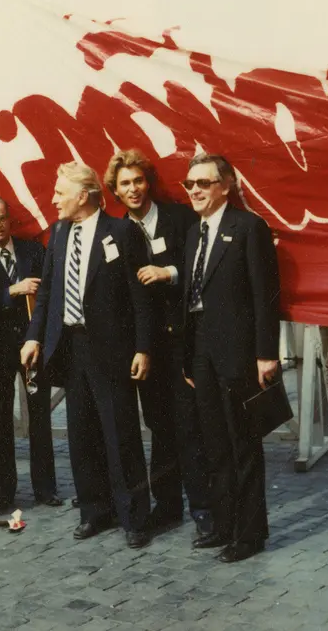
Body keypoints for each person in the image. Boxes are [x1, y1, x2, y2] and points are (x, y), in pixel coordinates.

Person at [20, 162, 153, 549]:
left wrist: (143, 347)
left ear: (83, 196)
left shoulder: (122, 231)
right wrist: (34, 338)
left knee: (120, 434)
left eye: (60, 193)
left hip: (112, 350)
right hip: (70, 347)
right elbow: (47, 294)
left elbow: (139, 296)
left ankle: (134, 518)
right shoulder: (59, 234)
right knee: (81, 434)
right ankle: (95, 511)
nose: (54, 199)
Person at [104, 149, 212, 537]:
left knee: (189, 426)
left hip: (184, 341)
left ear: (148, 182)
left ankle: (204, 511)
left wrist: (168, 272)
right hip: (147, 348)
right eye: (124, 184)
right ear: (114, 191)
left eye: (138, 181)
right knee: (159, 427)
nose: (133, 189)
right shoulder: (114, 232)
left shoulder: (179, 218)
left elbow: (204, 266)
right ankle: (167, 507)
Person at [181, 153, 283, 563]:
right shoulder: (194, 233)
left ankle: (249, 533)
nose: (195, 191)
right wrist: (189, 358)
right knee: (214, 444)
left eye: (203, 183)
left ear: (226, 186)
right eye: (190, 184)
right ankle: (223, 524)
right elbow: (189, 298)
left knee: (243, 444)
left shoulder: (248, 227)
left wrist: (266, 355)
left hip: (239, 354)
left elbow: (266, 295)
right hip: (202, 353)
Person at [0, 196, 61, 511]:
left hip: (31, 345)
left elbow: (49, 296)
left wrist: (37, 338)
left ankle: (46, 489)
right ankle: (4, 493)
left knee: (40, 417)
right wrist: (12, 290)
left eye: (1, 218)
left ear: (9, 218)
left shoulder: (32, 250)